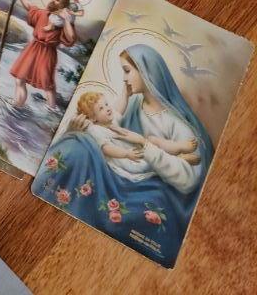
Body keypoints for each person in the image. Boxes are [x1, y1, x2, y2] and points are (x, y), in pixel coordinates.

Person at [32, 44, 213, 267]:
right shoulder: (135, 104)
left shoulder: (174, 122)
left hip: (140, 178)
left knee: (83, 149)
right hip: (121, 166)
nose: (125, 79)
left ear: (146, 72)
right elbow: (111, 131)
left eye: (127, 71)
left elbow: (189, 180)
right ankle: (47, 189)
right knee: (76, 145)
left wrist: (145, 146)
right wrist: (75, 130)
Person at [76, 91, 199, 182]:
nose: (108, 109)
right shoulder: (95, 130)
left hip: (134, 152)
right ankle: (179, 159)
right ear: (93, 118)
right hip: (130, 161)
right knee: (150, 153)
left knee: (151, 140)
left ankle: (179, 148)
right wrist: (126, 154)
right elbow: (106, 149)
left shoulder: (109, 122)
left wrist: (125, 94)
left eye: (106, 104)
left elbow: (119, 109)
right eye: (101, 108)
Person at [8, 0, 76, 108]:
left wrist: (66, 20)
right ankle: (18, 105)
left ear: (63, 5)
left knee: (47, 85)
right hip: (33, 49)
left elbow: (71, 38)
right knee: (20, 79)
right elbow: (30, 7)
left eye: (57, 0)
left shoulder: (63, 22)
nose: (53, 1)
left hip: (48, 52)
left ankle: (51, 110)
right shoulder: (43, 13)